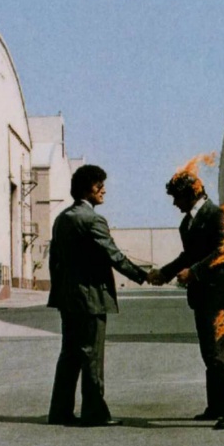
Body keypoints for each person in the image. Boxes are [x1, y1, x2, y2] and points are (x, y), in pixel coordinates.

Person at [47, 164, 149, 427]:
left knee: (69, 354)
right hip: (91, 298)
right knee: (91, 354)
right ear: (85, 189)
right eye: (98, 185)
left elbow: (54, 261)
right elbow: (113, 255)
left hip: (68, 299)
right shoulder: (92, 220)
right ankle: (94, 412)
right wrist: (144, 275)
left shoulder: (61, 219)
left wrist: (60, 291)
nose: (104, 190)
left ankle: (60, 412)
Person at [148, 171, 224, 430]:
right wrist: (165, 273)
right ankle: (216, 406)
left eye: (177, 197)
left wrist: (194, 272)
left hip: (218, 295)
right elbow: (187, 255)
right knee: (208, 353)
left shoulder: (217, 215)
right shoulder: (187, 223)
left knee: (215, 351)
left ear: (191, 194)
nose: (174, 203)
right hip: (202, 296)